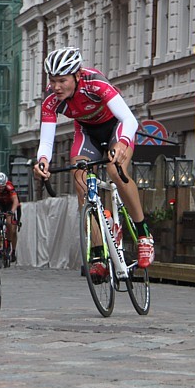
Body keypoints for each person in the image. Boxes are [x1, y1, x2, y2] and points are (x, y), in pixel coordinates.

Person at [33, 47, 154, 280]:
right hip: (87, 131)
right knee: (80, 178)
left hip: (115, 128)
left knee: (114, 170)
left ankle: (143, 233)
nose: (56, 87)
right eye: (52, 80)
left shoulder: (94, 83)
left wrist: (122, 143)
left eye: (62, 80)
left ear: (77, 75)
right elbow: (46, 138)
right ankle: (98, 254)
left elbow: (129, 119)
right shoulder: (50, 99)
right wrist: (43, 161)